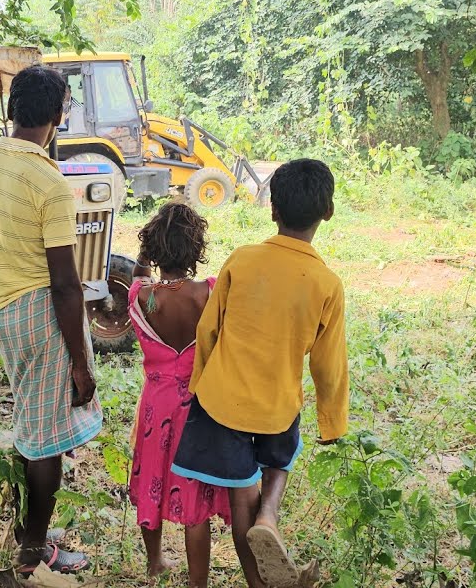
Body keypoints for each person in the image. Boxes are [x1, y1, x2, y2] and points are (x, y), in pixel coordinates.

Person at [170, 158, 348, 588]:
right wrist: (333, 423)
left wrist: (199, 386)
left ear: (272, 210)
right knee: (281, 458)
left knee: (239, 500)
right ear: (328, 212)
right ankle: (271, 513)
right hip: (276, 407)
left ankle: (258, 577)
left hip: (222, 402)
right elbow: (328, 364)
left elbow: (208, 330)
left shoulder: (242, 260)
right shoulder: (327, 283)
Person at [0, 65, 102, 576]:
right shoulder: (48, 180)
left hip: (4, 310)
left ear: (11, 111)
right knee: (44, 440)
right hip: (44, 313)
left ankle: (30, 529)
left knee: (30, 426)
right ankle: (32, 551)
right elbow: (67, 284)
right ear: (59, 115)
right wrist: (81, 363)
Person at [128, 202, 230, 588]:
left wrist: (147, 253)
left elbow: (139, 276)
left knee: (151, 478)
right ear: (196, 248)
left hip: (156, 407)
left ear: (153, 250)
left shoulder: (140, 296)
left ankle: (155, 562)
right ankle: (197, 582)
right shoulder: (209, 292)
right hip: (197, 406)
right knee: (195, 498)